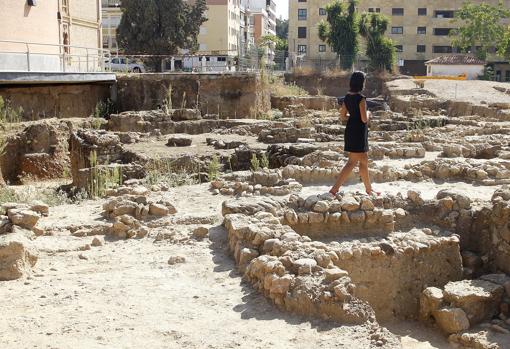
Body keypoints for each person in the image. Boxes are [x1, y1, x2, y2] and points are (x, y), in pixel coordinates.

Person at [329, 71, 379, 197]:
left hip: (351, 129)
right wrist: (368, 113)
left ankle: (369, 189)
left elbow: (343, 116)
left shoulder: (347, 97)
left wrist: (353, 116)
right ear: (361, 83)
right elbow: (364, 119)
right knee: (352, 162)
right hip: (359, 131)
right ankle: (334, 190)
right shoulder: (361, 99)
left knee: (364, 161)